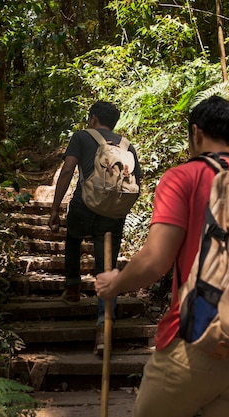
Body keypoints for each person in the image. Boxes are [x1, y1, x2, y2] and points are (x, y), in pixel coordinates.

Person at [95, 95, 229, 417]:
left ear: (196, 133)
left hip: (196, 340)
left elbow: (155, 261)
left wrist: (115, 284)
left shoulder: (184, 177)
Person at [48, 101, 142, 355]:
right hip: (112, 213)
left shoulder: (82, 136)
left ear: (92, 119)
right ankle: (104, 327)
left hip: (84, 205)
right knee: (106, 267)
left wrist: (55, 208)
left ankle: (73, 288)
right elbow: (137, 183)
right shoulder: (126, 145)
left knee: (72, 240)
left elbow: (68, 170)